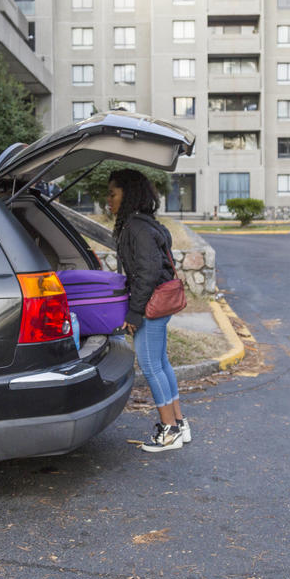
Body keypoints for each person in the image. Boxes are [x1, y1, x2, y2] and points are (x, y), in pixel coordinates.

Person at [107, 168, 191, 453]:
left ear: (127, 194)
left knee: (152, 365)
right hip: (159, 302)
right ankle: (179, 424)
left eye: (112, 193)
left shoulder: (137, 228)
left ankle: (168, 431)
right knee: (161, 362)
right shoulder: (147, 223)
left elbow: (148, 272)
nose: (108, 200)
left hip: (151, 305)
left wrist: (134, 313)